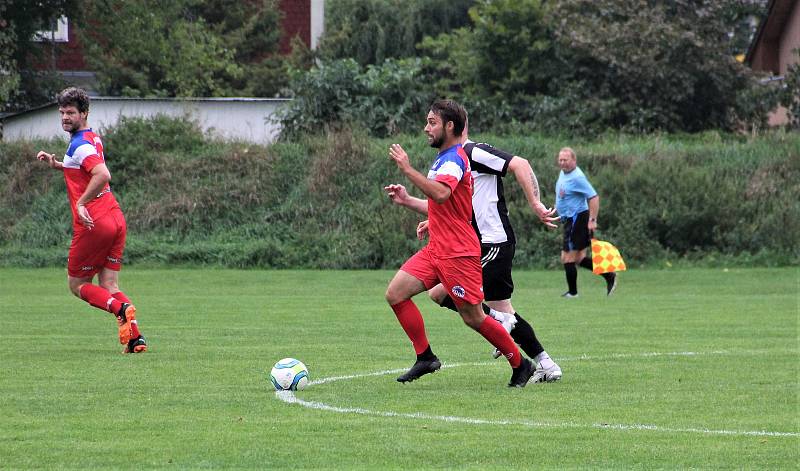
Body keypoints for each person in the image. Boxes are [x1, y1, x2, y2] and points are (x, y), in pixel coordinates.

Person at [385, 120, 563, 383]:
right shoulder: (445, 159)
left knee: (474, 310)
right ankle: (543, 362)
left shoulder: (470, 152)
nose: (426, 127)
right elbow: (449, 203)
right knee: (494, 308)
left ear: (453, 125)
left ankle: (502, 330)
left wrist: (535, 203)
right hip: (474, 242)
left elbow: (520, 163)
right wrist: (421, 209)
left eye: (432, 122)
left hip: (490, 242)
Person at [36, 87, 147, 354]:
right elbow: (84, 168)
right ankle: (136, 339)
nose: (65, 117)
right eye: (62, 112)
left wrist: (82, 203)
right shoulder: (90, 138)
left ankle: (119, 310)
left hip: (94, 221)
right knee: (109, 285)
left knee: (77, 285)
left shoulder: (79, 143)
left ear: (84, 113)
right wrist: (59, 165)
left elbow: (102, 174)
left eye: (71, 112)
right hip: (115, 218)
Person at [555, 147, 617, 298]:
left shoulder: (577, 178)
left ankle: (573, 293)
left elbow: (593, 197)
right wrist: (559, 212)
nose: (562, 163)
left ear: (574, 160)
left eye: (566, 160)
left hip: (577, 219)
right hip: (570, 219)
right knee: (579, 258)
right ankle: (609, 276)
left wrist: (593, 220)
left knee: (567, 257)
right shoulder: (564, 173)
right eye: (560, 160)